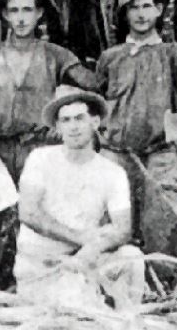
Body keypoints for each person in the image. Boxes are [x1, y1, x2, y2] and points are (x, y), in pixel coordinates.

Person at [0, 0, 96, 286]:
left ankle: (53, 290)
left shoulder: (55, 54)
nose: (21, 17)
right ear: (4, 15)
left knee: (48, 221)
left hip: (39, 151)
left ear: (40, 13)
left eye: (28, 9)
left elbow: (93, 83)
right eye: (13, 10)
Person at [96, 0, 177, 278]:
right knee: (110, 223)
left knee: (162, 221)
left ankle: (165, 290)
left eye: (147, 6)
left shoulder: (172, 51)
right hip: (114, 154)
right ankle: (109, 285)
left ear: (159, 10)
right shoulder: (110, 57)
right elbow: (95, 101)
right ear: (125, 14)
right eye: (133, 8)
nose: (141, 14)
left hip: (159, 153)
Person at [15, 85, 145, 308]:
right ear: (58, 126)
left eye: (79, 118)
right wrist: (83, 238)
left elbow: (123, 229)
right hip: (42, 265)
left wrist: (88, 251)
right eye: (66, 120)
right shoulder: (40, 159)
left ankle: (129, 325)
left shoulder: (112, 172)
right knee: (77, 310)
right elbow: (28, 213)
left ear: (94, 123)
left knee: (131, 258)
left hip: (86, 261)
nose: (73, 127)